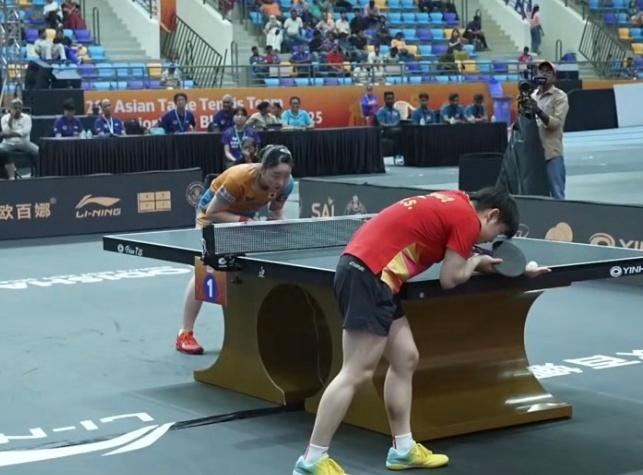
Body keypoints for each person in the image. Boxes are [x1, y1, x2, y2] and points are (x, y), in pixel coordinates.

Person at [293, 187, 549, 474]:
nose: (488, 241)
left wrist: (512, 269)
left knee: (405, 358)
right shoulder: (467, 219)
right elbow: (451, 278)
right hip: (369, 276)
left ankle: (402, 450)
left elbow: (459, 257)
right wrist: (476, 261)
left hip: (370, 273)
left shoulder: (455, 201)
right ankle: (312, 460)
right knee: (355, 372)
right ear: (492, 215)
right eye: (495, 234)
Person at [177, 146, 296, 354]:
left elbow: (276, 211)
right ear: (263, 169)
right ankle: (185, 334)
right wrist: (247, 222)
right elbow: (212, 212)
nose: (280, 181)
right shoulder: (238, 178)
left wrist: (285, 229)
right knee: (208, 270)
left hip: (244, 220)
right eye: (275, 175)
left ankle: (249, 332)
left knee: (247, 270)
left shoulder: (287, 184)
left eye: (285, 175)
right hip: (211, 218)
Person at [521, 61, 569, 199]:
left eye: (548, 71)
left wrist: (538, 111)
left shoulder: (560, 96)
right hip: (533, 153)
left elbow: (556, 124)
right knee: (535, 194)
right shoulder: (532, 95)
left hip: (551, 152)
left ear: (554, 76)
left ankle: (560, 214)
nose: (544, 74)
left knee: (557, 193)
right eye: (542, 71)